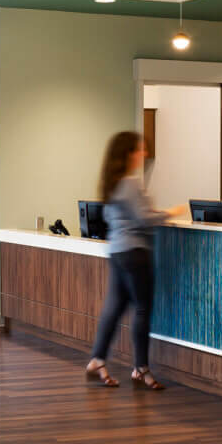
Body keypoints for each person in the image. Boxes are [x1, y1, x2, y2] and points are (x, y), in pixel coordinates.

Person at [85, 130, 186, 391]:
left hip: (117, 252)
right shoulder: (130, 183)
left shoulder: (111, 183)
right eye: (141, 149)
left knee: (115, 308)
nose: (146, 153)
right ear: (129, 153)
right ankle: (141, 368)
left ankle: (98, 359)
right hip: (135, 253)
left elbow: (117, 217)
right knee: (142, 309)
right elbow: (143, 219)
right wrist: (169, 212)